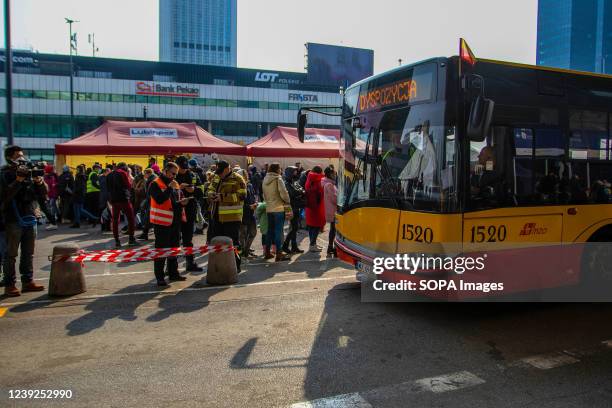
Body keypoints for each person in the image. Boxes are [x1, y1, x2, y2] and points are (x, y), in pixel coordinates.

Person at [0, 145, 46, 296]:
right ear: (9, 158)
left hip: (29, 216)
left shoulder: (29, 172)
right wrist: (18, 180)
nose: (21, 158)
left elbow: (42, 194)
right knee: (11, 254)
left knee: (28, 253)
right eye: (17, 156)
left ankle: (28, 282)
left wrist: (39, 182)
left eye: (22, 155)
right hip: (13, 218)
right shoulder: (5, 173)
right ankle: (9, 284)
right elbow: (5, 196)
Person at [149, 162, 189, 287]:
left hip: (174, 222)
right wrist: (170, 188)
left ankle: (173, 273)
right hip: (161, 223)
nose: (174, 177)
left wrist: (182, 203)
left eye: (176, 174)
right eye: (172, 173)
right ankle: (160, 277)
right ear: (165, 171)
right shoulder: (155, 183)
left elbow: (172, 203)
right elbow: (160, 200)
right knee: (161, 250)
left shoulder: (173, 183)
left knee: (174, 249)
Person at [207, 160, 247, 270]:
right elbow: (210, 188)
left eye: (220, 172)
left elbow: (242, 196)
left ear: (227, 169)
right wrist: (211, 194)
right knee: (218, 243)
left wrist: (223, 197)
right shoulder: (217, 177)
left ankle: (236, 266)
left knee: (233, 243)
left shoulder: (238, 178)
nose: (219, 174)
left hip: (232, 217)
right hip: (216, 216)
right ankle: (221, 266)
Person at [175, 156, 203, 272]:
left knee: (188, 239)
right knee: (174, 240)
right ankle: (171, 266)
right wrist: (178, 189)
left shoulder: (193, 175)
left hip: (189, 211)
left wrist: (194, 190)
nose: (184, 170)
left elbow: (201, 191)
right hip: (175, 211)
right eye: (182, 168)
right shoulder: (171, 176)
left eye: (185, 168)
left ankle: (190, 263)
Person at [262, 163, 291, 262]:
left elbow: (264, 195)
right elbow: (283, 192)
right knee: (279, 231)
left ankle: (267, 252)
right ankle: (279, 253)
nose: (281, 170)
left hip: (269, 208)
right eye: (280, 168)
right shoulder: (278, 179)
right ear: (277, 169)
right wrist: (287, 200)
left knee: (270, 231)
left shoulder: (265, 179)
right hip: (278, 208)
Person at [106, 162, 137, 248]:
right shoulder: (122, 173)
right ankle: (131, 239)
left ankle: (117, 241)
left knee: (115, 220)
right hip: (124, 199)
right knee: (131, 219)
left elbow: (107, 188)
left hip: (113, 200)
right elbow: (128, 185)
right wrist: (129, 176)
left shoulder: (109, 175)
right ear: (125, 168)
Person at [282, 166, 306, 254]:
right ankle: (285, 245)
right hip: (291, 207)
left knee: (294, 228)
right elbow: (294, 193)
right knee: (294, 228)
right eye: (294, 172)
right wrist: (300, 192)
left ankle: (294, 246)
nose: (296, 173)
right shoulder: (287, 183)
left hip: (295, 206)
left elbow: (300, 189)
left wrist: (300, 191)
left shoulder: (293, 182)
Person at [305, 166, 325, 252]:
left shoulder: (308, 179)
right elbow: (321, 193)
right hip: (317, 207)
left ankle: (312, 243)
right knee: (316, 226)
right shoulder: (319, 180)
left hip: (309, 207)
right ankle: (312, 245)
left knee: (311, 226)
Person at [240, 170, 258, 259]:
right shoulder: (239, 187)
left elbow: (254, 196)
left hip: (251, 213)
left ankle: (246, 251)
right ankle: (244, 252)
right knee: (243, 235)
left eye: (246, 174)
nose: (246, 176)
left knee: (253, 233)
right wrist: (248, 207)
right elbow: (238, 203)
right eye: (244, 175)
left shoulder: (249, 185)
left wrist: (255, 203)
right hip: (242, 214)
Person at [322, 166, 338, 255]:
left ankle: (330, 247)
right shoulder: (329, 185)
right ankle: (334, 248)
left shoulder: (328, 183)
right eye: (334, 174)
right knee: (335, 230)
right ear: (330, 174)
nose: (335, 175)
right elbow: (334, 198)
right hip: (333, 210)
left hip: (330, 209)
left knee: (333, 229)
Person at [137, 168, 157, 241]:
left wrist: (147, 201)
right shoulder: (153, 178)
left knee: (148, 218)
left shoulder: (151, 180)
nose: (144, 175)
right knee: (150, 218)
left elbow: (150, 192)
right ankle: (146, 233)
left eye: (144, 174)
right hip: (151, 201)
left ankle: (145, 234)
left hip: (151, 201)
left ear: (148, 173)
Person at [43, 165, 60, 230]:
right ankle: (58, 217)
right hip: (51, 194)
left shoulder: (51, 176)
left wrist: (55, 185)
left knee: (51, 207)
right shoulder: (50, 176)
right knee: (53, 206)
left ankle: (53, 222)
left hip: (52, 194)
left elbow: (53, 185)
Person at [98, 166, 112, 232]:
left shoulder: (100, 177)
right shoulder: (104, 178)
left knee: (105, 213)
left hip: (103, 197)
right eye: (109, 172)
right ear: (106, 172)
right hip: (106, 198)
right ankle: (106, 227)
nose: (110, 173)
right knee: (106, 213)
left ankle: (105, 227)